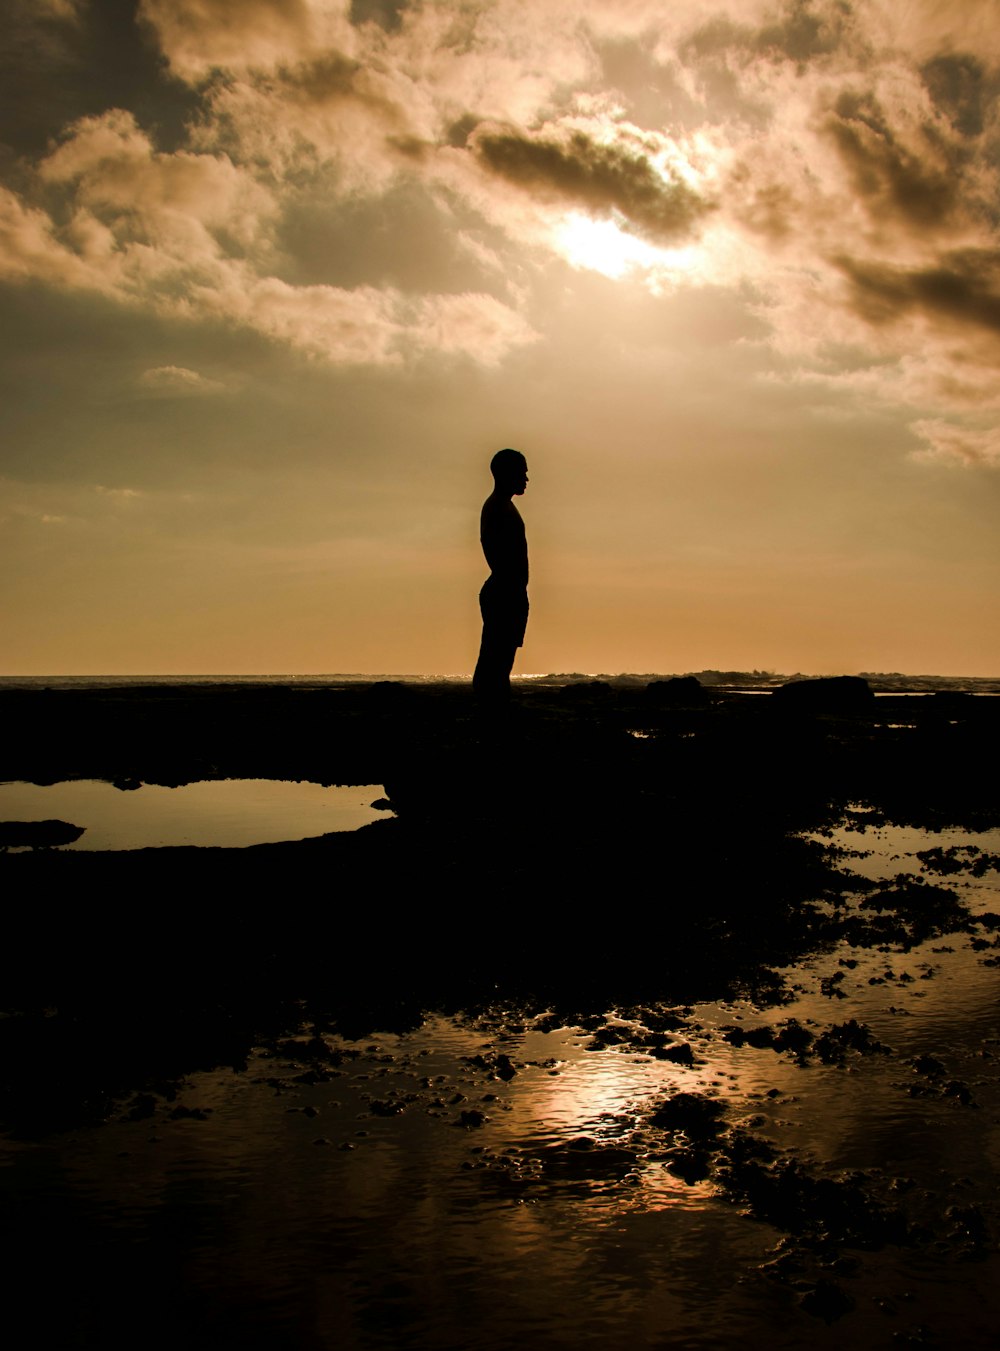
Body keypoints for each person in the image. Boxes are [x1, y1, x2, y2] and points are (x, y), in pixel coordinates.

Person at [473, 447, 529, 703]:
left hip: (510, 590)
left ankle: (496, 711)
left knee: (501, 661)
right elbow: (497, 552)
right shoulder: (496, 507)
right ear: (506, 473)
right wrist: (511, 586)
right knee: (494, 661)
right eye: (522, 473)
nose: (526, 479)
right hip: (504, 591)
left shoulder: (504, 506)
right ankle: (491, 714)